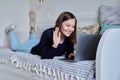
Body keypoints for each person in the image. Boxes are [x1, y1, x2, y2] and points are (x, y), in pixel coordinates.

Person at [5, 11, 77, 59]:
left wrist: (70, 55)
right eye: (68, 25)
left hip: (40, 42)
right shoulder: (48, 33)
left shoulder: (69, 37)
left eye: (73, 26)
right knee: (15, 47)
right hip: (33, 48)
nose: (71, 29)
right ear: (60, 23)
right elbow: (44, 56)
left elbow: (69, 51)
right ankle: (10, 31)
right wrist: (55, 45)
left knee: (33, 40)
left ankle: (32, 31)